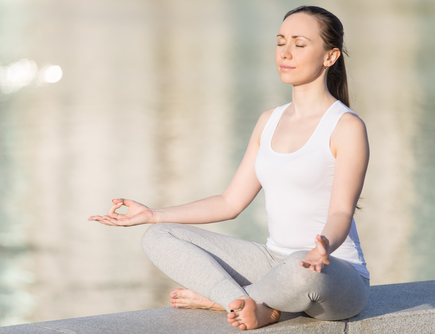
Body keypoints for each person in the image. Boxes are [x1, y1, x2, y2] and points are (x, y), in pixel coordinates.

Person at [88, 5, 370, 331]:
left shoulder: (345, 126)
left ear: (330, 56)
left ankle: (225, 300)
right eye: (280, 42)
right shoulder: (270, 121)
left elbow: (340, 213)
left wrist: (323, 246)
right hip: (272, 263)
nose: (286, 53)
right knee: (158, 236)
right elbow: (230, 203)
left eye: (299, 44)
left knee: (298, 268)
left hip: (333, 273)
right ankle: (245, 301)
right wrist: (153, 214)